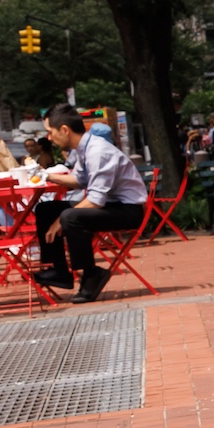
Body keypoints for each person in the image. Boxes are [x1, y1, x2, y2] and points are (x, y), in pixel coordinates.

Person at [32, 103, 149, 303]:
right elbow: (79, 180)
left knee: (69, 216)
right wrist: (45, 175)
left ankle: (91, 273)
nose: (49, 138)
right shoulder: (84, 149)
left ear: (64, 130)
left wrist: (60, 221)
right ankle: (59, 270)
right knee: (45, 209)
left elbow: (95, 200)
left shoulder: (97, 151)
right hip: (111, 205)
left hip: (128, 210)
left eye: (50, 132)